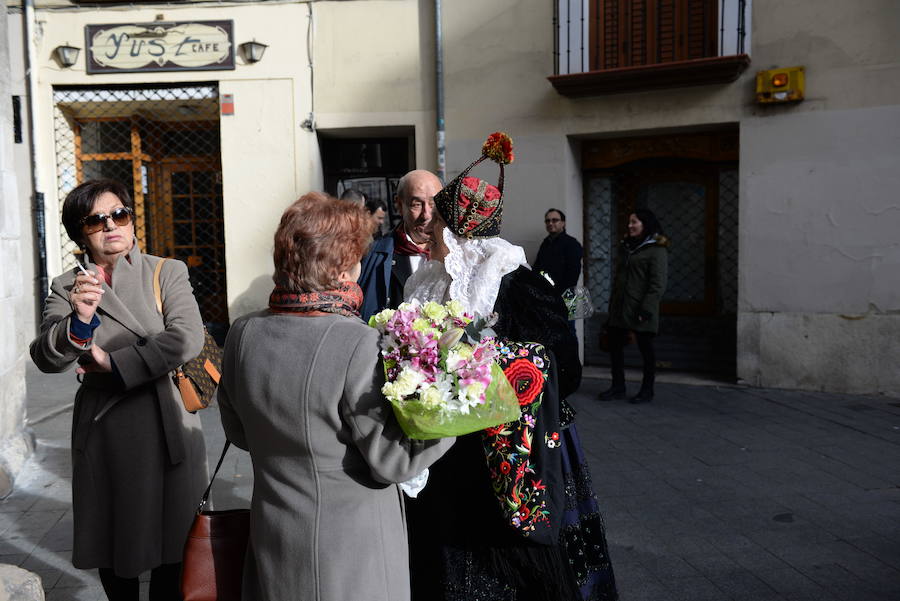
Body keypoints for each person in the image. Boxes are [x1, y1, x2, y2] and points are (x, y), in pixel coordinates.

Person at [403, 133, 618, 601]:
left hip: (515, 452)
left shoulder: (516, 283)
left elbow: (566, 370)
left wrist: (479, 364)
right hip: (450, 451)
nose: (428, 233)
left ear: (460, 233)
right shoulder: (429, 279)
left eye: (437, 225)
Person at [216, 192, 454, 601]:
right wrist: (451, 402)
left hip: (275, 536)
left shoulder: (243, 332)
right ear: (343, 268)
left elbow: (238, 432)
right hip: (348, 551)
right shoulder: (355, 342)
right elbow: (394, 461)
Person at [30, 179, 208, 601]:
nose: (111, 225)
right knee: (114, 542)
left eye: (119, 214)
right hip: (107, 429)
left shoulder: (166, 270)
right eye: (95, 220)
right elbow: (45, 356)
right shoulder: (66, 285)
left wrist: (113, 362)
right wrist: (79, 320)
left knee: (174, 546)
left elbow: (187, 338)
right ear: (79, 234)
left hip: (170, 422)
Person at [598, 208, 669, 404]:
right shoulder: (627, 247)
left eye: (634, 222)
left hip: (641, 309)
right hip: (621, 307)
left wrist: (646, 309)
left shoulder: (656, 249)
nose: (630, 226)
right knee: (615, 349)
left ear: (645, 224)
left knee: (646, 351)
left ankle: (647, 390)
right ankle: (618, 387)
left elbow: (657, 284)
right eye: (629, 222)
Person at [357, 169, 442, 321]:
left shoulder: (457, 255)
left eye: (433, 204)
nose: (426, 215)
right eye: (416, 204)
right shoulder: (372, 255)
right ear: (399, 205)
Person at [533, 208, 583, 296]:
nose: (550, 223)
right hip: (544, 294)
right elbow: (538, 267)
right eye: (548, 221)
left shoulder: (572, 243)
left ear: (563, 223)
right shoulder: (545, 243)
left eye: (555, 220)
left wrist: (561, 293)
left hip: (564, 295)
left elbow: (573, 273)